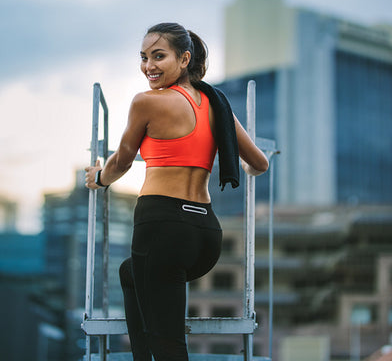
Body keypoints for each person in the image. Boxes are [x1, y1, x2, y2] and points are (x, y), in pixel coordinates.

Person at [85, 22, 269, 361]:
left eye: (159, 56)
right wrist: (243, 167)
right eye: (143, 58)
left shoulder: (147, 102)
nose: (148, 66)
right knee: (131, 274)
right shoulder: (217, 105)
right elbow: (259, 163)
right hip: (205, 235)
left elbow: (122, 162)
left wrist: (99, 178)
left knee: (169, 345)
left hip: (162, 227)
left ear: (184, 59)